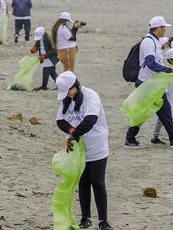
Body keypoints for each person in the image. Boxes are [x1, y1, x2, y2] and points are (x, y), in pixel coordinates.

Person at [55, 71, 113, 230]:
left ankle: (103, 221)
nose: (67, 96)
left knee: (98, 182)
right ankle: (85, 218)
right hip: (78, 150)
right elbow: (60, 120)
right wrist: (71, 130)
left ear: (75, 86)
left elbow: (90, 120)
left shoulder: (90, 96)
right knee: (83, 182)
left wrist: (73, 135)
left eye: (68, 91)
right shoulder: (68, 99)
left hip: (97, 146)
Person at [125, 16, 173, 148]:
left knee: (163, 110)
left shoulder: (154, 40)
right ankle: (130, 139)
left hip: (153, 84)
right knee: (144, 112)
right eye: (163, 27)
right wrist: (169, 70)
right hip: (147, 84)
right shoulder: (149, 42)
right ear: (158, 28)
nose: (164, 30)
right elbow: (150, 63)